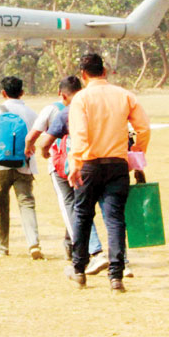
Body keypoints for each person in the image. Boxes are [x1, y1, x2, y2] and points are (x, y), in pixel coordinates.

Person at [65, 53, 150, 293]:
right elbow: (143, 128)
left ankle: (79, 271)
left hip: (89, 164)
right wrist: (137, 154)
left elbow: (79, 134)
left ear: (83, 75)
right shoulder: (124, 95)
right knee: (114, 219)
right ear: (105, 71)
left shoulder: (80, 99)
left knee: (82, 214)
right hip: (117, 164)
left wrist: (76, 164)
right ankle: (116, 276)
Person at [36, 77, 109, 274]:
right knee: (110, 211)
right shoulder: (98, 105)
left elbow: (40, 141)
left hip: (74, 167)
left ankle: (91, 254)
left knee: (75, 209)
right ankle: (121, 260)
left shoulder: (62, 111)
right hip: (105, 163)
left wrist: (41, 153)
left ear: (62, 94)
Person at [0, 76, 41, 259]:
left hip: (0, 166)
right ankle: (33, 243)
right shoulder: (30, 113)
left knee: (0, 205)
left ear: (3, 93)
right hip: (24, 165)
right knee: (27, 203)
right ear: (22, 92)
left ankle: (1, 246)